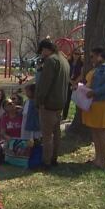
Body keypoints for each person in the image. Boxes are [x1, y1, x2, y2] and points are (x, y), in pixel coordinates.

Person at [82, 47, 105, 169]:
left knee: (102, 130)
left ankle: (102, 161)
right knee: (95, 130)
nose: (91, 59)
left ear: (100, 55)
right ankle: (97, 158)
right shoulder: (97, 68)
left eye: (93, 56)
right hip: (94, 102)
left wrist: (95, 92)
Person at [34, 39, 70, 168]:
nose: (42, 54)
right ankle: (54, 158)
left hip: (48, 103)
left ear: (46, 49)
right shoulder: (64, 60)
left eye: (42, 51)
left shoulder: (51, 61)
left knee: (47, 135)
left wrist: (40, 101)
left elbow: (45, 84)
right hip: (60, 102)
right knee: (56, 133)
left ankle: (46, 161)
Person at [64, 50, 84, 120]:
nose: (76, 55)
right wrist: (71, 81)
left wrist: (75, 82)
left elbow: (82, 74)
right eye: (75, 53)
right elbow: (65, 73)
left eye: (78, 54)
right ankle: (64, 116)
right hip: (68, 82)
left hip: (77, 83)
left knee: (77, 101)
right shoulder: (68, 62)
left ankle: (77, 117)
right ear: (72, 54)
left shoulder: (81, 63)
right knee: (67, 100)